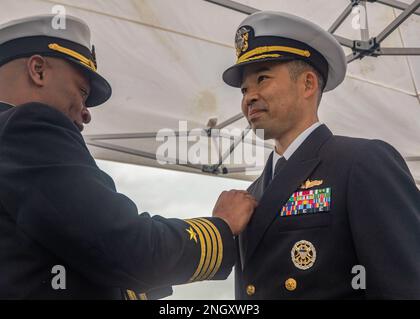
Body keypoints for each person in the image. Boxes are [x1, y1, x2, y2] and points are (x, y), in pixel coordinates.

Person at [0, 15, 257, 300]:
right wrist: (219, 228)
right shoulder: (28, 126)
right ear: (38, 70)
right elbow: (125, 249)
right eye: (82, 92)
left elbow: (73, 260)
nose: (86, 112)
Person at [222, 11, 420, 299]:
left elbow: (407, 285)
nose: (248, 97)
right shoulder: (251, 194)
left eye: (262, 79)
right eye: (244, 89)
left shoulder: (362, 162)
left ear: (307, 84)